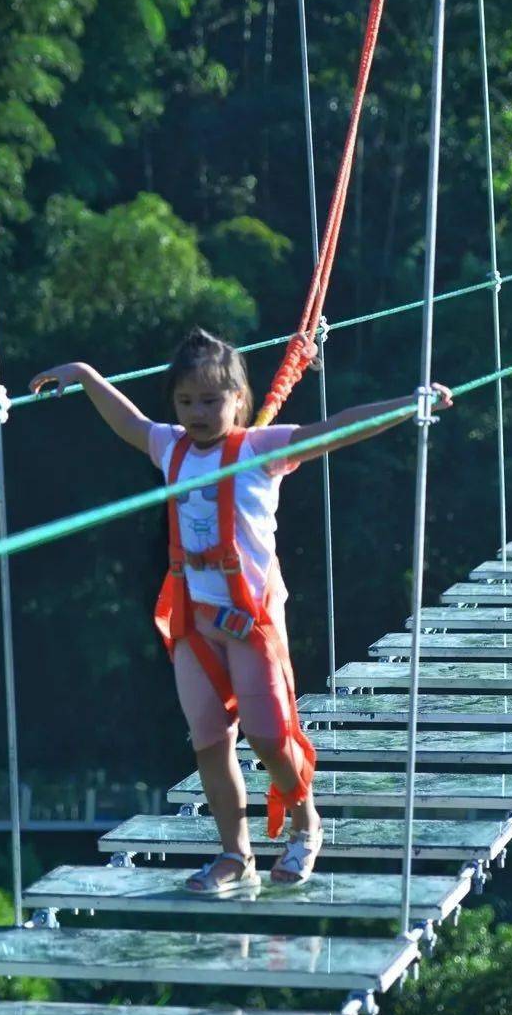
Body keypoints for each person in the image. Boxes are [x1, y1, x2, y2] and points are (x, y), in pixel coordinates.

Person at [30, 328, 452, 897]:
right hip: (193, 621)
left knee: (268, 737)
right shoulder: (170, 447)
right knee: (208, 740)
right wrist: (84, 373)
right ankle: (236, 854)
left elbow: (339, 428)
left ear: (238, 400)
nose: (198, 412)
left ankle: (305, 826)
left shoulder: (260, 449)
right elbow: (127, 420)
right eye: (185, 401)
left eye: (211, 400)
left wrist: (409, 405)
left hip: (251, 622)